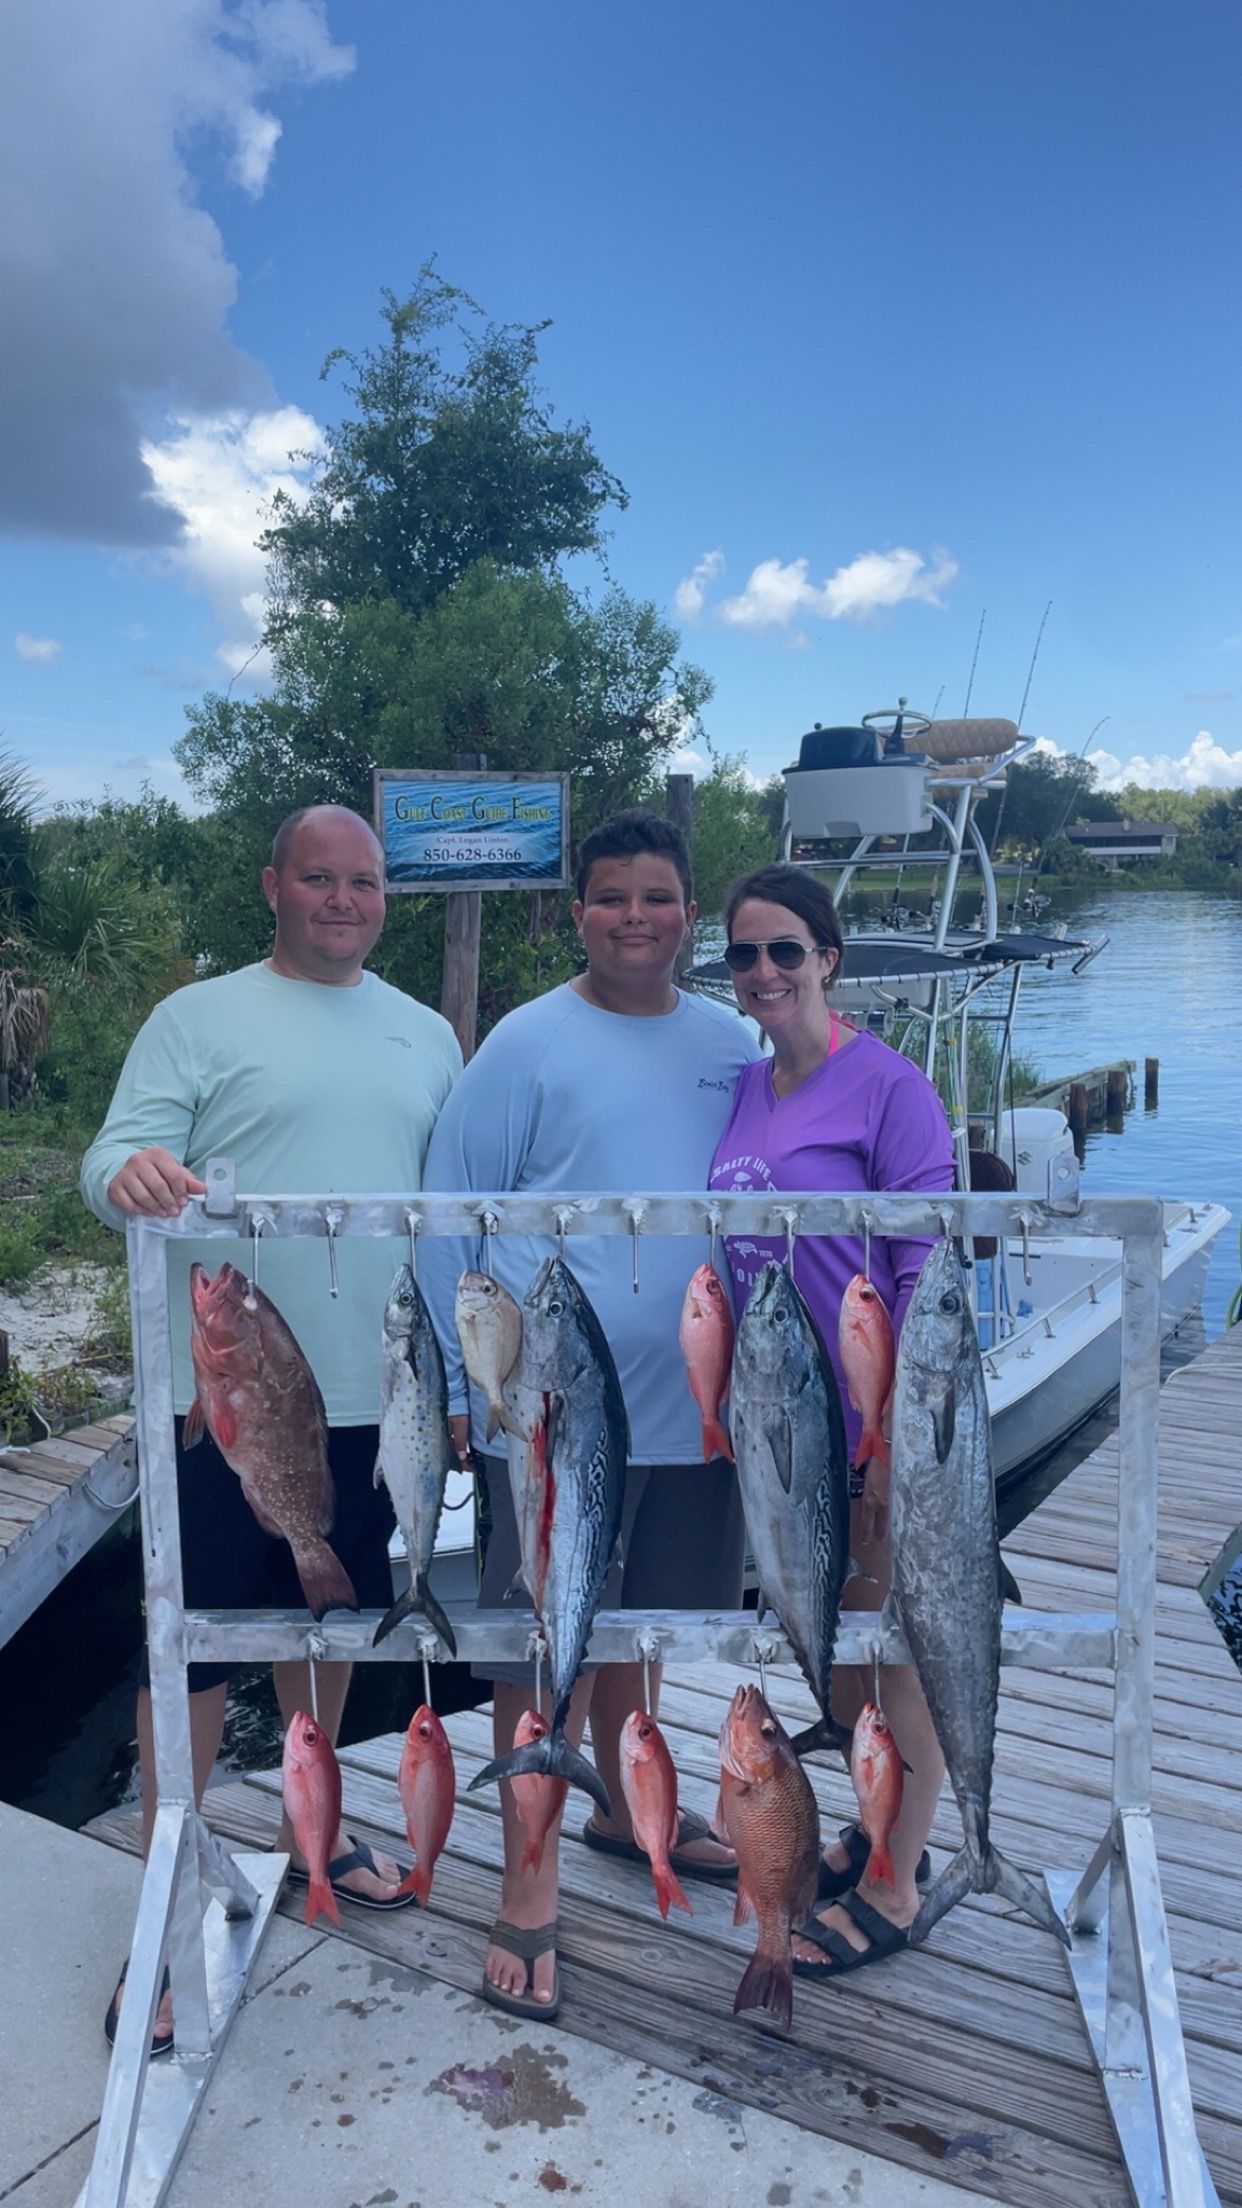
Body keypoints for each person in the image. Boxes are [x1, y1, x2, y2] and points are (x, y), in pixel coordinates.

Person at [80, 803, 462, 2053]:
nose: (343, 900)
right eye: (319, 878)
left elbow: (453, 1210)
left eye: (363, 881)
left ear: (384, 896)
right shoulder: (196, 1020)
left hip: (379, 1398)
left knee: (329, 1612)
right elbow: (113, 1161)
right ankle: (168, 1894)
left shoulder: (425, 1034)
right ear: (273, 886)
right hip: (224, 1404)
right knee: (187, 1652)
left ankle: (320, 1827)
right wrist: (131, 1173)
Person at [421, 808, 760, 2019]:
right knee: (537, 1645)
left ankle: (626, 1805)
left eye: (658, 897)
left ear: (690, 912)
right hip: (552, 1415)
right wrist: (469, 1389)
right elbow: (449, 1211)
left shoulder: (732, 1041)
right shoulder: (524, 1043)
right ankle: (527, 1884)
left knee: (645, 1635)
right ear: (578, 913)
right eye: (611, 897)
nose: (635, 919)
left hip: (699, 1408)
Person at [708, 861, 955, 1978]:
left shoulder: (891, 1088)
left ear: (829, 960)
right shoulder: (749, 1088)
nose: (763, 973)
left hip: (867, 1416)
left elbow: (923, 1265)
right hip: (781, 1412)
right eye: (744, 954)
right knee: (849, 1632)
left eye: (785, 952)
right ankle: (870, 1819)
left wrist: (895, 1433)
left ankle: (901, 1876)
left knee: (900, 1643)